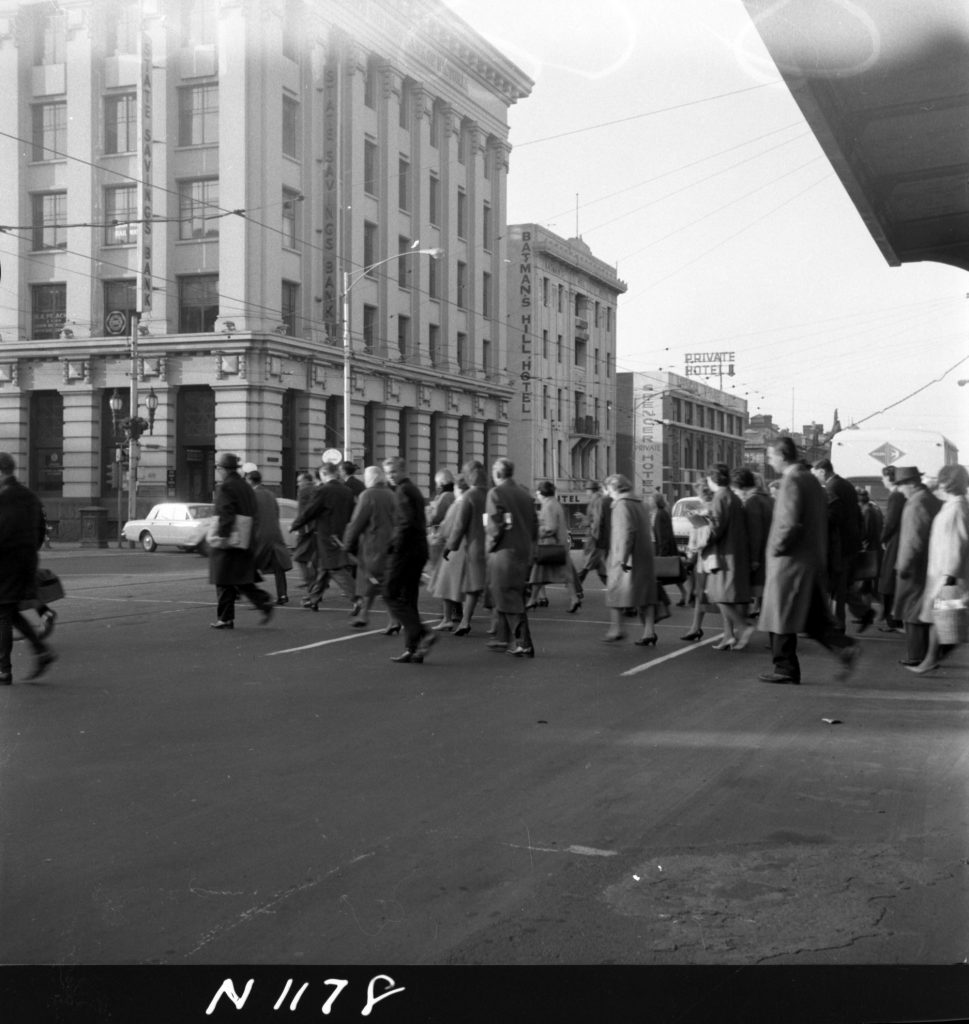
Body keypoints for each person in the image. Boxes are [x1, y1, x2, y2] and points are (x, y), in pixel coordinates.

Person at [757, 438, 858, 684]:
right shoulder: (811, 479)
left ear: (782, 455)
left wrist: (776, 548)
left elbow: (788, 523)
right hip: (810, 559)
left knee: (780, 614)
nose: (770, 461)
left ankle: (785, 668)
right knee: (811, 618)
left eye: (771, 456)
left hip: (789, 561)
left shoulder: (791, 481)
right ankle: (843, 647)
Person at [0, 452, 57, 682]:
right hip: (27, 560)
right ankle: (41, 651)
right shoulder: (30, 496)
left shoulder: (2, 498)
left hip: (6, 563)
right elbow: (41, 528)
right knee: (10, 611)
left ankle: (4, 670)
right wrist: (30, 550)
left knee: (4, 613)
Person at [909, 464, 969, 673]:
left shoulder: (956, 509)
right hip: (943, 572)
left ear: (948, 482)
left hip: (947, 573)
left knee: (944, 618)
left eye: (942, 479)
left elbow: (957, 543)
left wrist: (949, 576)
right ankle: (930, 658)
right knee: (941, 618)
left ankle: (930, 659)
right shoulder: (954, 505)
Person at [209, 452, 274, 630]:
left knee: (223, 579)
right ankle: (263, 602)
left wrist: (222, 535)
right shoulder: (246, 487)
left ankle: (225, 618)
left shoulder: (226, 487)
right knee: (240, 578)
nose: (218, 471)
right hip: (245, 537)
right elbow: (254, 511)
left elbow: (225, 511)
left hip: (230, 538)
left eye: (218, 468)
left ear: (223, 469)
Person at [383, 456, 434, 663]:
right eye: (387, 473)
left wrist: (392, 547)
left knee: (389, 593)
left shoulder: (403, 491)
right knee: (408, 598)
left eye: (393, 472)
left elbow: (405, 524)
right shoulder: (412, 489)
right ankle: (413, 648)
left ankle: (421, 632)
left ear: (403, 471)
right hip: (418, 549)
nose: (390, 477)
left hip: (406, 551)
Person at [485, 457, 538, 657]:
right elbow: (534, 525)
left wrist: (490, 546)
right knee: (511, 594)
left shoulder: (496, 493)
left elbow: (493, 525)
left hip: (504, 551)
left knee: (506, 595)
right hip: (523, 551)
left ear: (497, 473)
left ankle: (523, 642)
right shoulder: (524, 494)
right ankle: (505, 638)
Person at [601, 474, 662, 644]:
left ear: (613, 488)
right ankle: (649, 631)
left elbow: (625, 533)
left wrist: (621, 558)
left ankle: (616, 628)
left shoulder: (621, 505)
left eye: (607, 489)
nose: (607, 493)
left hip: (627, 555)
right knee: (645, 594)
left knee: (615, 590)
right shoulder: (639, 503)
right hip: (644, 552)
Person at [290, 461, 357, 613]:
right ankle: (313, 599)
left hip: (326, 535)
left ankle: (356, 598)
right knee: (323, 567)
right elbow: (352, 513)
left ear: (324, 474)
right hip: (341, 533)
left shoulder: (324, 490)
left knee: (334, 568)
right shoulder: (347, 490)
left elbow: (310, 511)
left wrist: (296, 525)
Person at [893, 465, 943, 667]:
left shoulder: (916, 503)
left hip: (915, 567)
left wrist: (903, 565)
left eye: (901, 485)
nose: (900, 490)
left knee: (911, 610)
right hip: (929, 564)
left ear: (911, 484)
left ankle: (916, 655)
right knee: (922, 609)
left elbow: (913, 540)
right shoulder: (931, 499)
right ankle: (927, 653)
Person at [701, 463, 753, 650]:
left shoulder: (719, 497)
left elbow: (716, 528)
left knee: (718, 594)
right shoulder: (733, 497)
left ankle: (742, 627)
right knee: (727, 595)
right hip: (736, 551)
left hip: (723, 553)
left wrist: (701, 528)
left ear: (712, 479)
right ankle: (728, 636)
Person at [342, 465, 397, 631]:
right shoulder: (391, 494)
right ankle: (365, 615)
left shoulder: (368, 495)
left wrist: (348, 544)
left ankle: (394, 619)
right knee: (374, 583)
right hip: (390, 546)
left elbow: (357, 522)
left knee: (374, 582)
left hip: (372, 547)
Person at [812, 457, 865, 631]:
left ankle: (837, 626)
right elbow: (857, 513)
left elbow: (834, 517)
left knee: (836, 588)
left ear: (822, 471)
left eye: (816, 474)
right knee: (843, 586)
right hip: (851, 543)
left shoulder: (831, 488)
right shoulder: (847, 485)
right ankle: (863, 612)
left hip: (840, 546)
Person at [444, 459, 488, 636]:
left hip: (475, 546)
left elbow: (460, 526)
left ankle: (466, 621)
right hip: (492, 545)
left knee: (473, 586)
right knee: (480, 586)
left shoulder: (470, 496)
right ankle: (465, 621)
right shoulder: (491, 493)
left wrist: (450, 546)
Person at [528, 481, 582, 613]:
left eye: (538, 493)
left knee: (537, 574)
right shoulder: (556, 504)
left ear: (542, 493)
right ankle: (574, 598)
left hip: (549, 546)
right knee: (566, 575)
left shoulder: (548, 506)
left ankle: (533, 600)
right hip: (560, 546)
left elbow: (550, 528)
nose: (537, 495)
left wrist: (539, 530)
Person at [732, 466, 772, 618]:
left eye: (735, 490)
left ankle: (742, 630)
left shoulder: (752, 502)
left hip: (759, 558)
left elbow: (755, 533)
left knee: (747, 597)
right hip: (769, 555)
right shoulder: (769, 499)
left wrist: (753, 560)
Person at [247, 470, 291, 605]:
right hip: (274, 534)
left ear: (250, 481)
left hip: (258, 535)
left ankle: (256, 597)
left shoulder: (251, 495)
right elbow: (276, 513)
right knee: (278, 567)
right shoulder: (271, 495)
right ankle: (282, 595)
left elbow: (249, 517)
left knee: (249, 565)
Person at [430, 478, 469, 630]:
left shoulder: (457, 505)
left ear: (458, 489)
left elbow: (447, 527)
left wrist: (437, 536)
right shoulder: (472, 502)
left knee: (445, 583)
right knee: (464, 585)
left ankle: (447, 618)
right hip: (467, 546)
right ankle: (464, 618)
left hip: (453, 548)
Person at [681, 483, 715, 642]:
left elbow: (711, 534)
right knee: (701, 594)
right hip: (703, 558)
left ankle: (734, 630)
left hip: (712, 557)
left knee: (719, 597)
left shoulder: (713, 509)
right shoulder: (705, 510)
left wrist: (701, 525)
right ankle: (695, 627)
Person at [878, 465, 906, 631]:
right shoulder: (899, 495)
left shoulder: (896, 496)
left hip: (895, 542)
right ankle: (893, 618)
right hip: (897, 540)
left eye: (883, 477)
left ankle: (893, 620)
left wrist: (883, 537)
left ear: (890, 478)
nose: (882, 480)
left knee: (888, 580)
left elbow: (891, 521)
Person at [651, 492, 687, 606]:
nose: (649, 502)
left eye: (651, 500)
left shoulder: (659, 515)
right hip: (669, 548)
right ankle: (685, 595)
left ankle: (662, 599)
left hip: (664, 549)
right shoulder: (663, 513)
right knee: (674, 576)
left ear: (655, 502)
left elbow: (662, 535)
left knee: (659, 575)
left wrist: (662, 553)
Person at [577, 481, 610, 589]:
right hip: (597, 538)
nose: (586, 492)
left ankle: (575, 587)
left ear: (591, 491)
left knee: (587, 565)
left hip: (595, 538)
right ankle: (613, 588)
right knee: (600, 567)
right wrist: (585, 519)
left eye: (587, 490)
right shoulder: (597, 500)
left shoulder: (597, 501)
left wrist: (586, 522)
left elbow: (597, 520)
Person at [425, 469, 456, 583]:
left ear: (441, 483)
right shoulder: (454, 494)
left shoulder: (445, 496)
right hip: (449, 536)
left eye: (437, 483)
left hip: (439, 537)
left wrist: (429, 510)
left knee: (437, 571)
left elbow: (434, 518)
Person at [292, 470, 319, 590]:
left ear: (306, 481)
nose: (298, 484)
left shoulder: (303, 490)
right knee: (313, 557)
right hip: (316, 528)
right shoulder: (317, 489)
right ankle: (315, 581)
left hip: (306, 528)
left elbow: (302, 512)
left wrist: (296, 526)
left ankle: (311, 581)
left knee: (299, 556)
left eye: (299, 481)